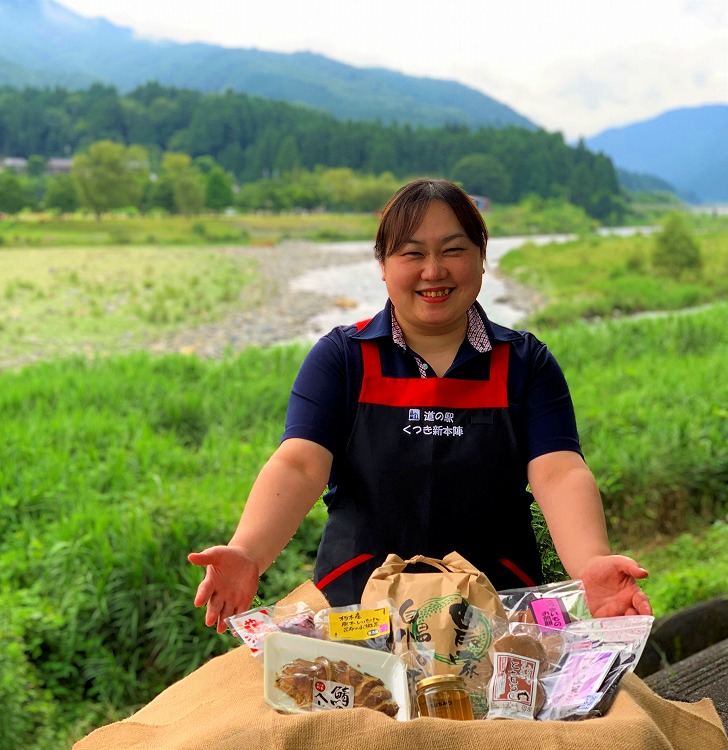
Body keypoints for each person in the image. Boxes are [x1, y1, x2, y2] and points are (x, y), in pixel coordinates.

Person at [189, 178, 652, 633]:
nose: (434, 271)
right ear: (384, 266)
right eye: (412, 253)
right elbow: (299, 464)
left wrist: (591, 561)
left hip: (498, 614)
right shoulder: (342, 359)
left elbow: (559, 471)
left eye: (453, 250)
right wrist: (248, 552)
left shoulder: (526, 364)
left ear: (482, 261)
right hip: (360, 611)